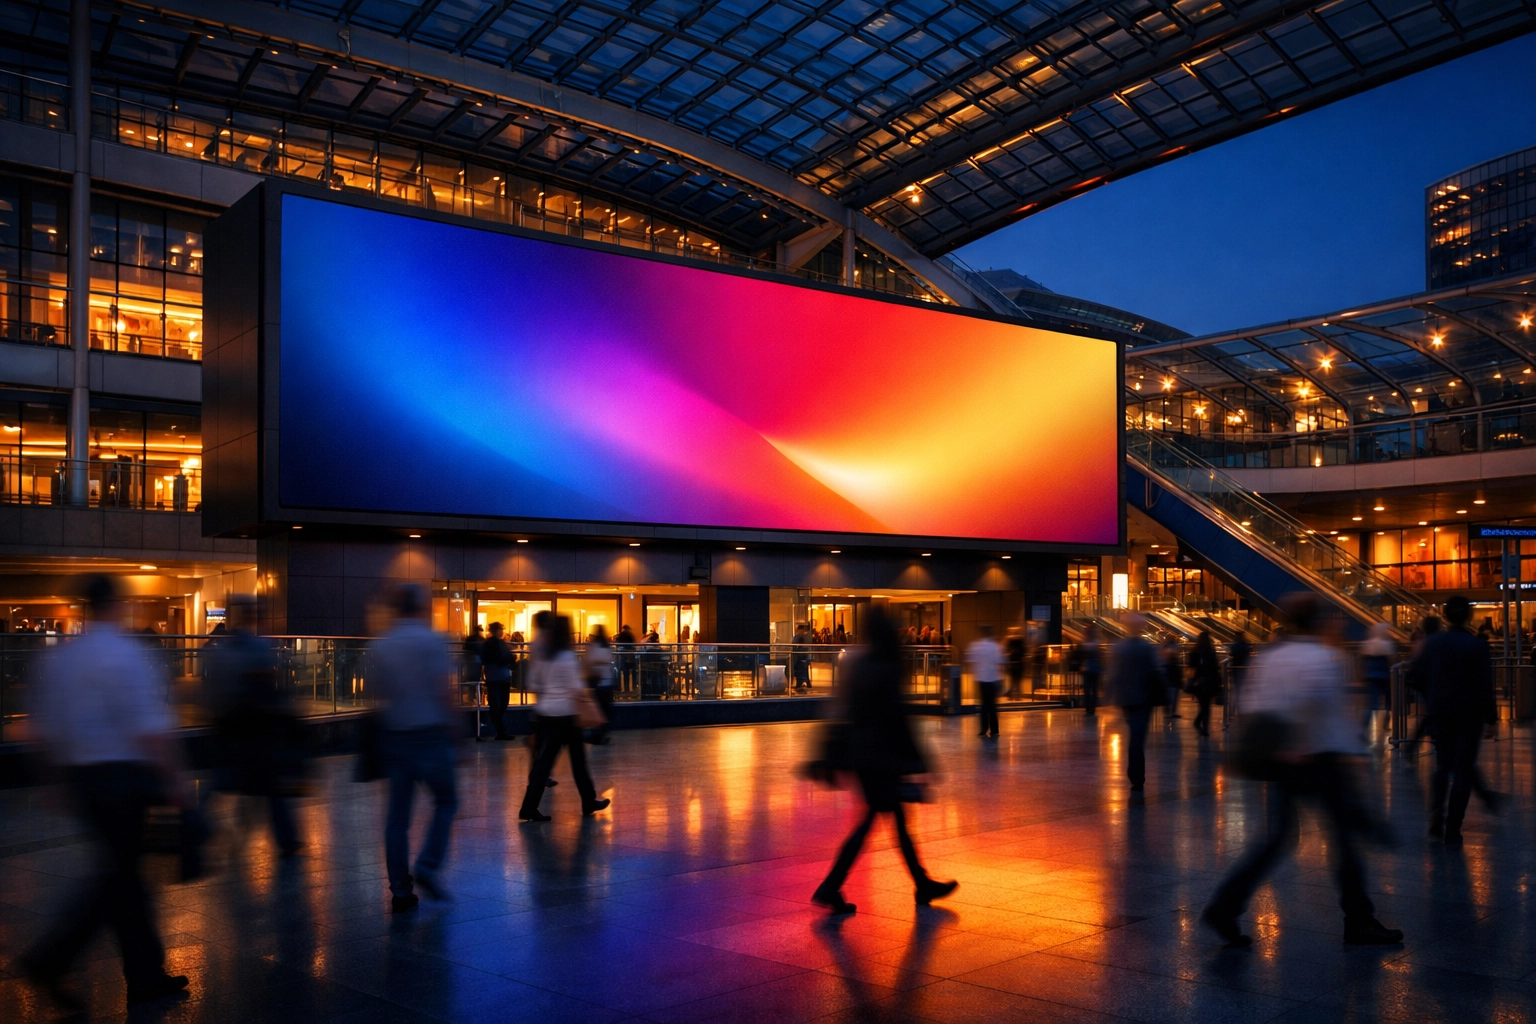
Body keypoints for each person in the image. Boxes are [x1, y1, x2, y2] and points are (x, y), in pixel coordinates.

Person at [21, 575, 192, 1010]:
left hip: (82, 780)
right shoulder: (127, 654)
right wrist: (175, 780)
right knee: (119, 878)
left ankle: (145, 975)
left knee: (125, 877)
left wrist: (53, 782)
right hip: (123, 779)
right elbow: (150, 729)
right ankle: (51, 959)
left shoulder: (63, 659)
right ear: (116, 605)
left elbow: (41, 730)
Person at [1202, 593, 1402, 947]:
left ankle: (1224, 907)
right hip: (1317, 759)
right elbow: (1330, 715)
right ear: (1319, 621)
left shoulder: (1271, 656)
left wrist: (1279, 745)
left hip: (1283, 761)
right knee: (1342, 838)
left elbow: (1250, 705)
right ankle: (1359, 920)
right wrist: (1354, 754)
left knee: (1277, 839)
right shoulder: (1322, 658)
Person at [811, 609, 958, 915]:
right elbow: (898, 718)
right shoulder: (887, 666)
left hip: (862, 756)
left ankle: (920, 882)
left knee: (888, 823)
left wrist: (828, 754)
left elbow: (844, 708)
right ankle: (832, 886)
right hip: (883, 758)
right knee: (875, 824)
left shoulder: (860, 664)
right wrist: (920, 761)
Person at [369, 584, 459, 911]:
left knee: (397, 818)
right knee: (446, 801)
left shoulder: (381, 646)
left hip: (394, 736)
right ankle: (427, 864)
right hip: (430, 735)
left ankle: (400, 890)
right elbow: (443, 692)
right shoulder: (433, 642)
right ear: (421, 607)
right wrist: (456, 733)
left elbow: (376, 695)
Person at [202, 593, 302, 857]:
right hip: (257, 729)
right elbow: (268, 687)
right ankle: (287, 840)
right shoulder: (260, 649)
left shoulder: (222, 650)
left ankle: (198, 823)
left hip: (230, 727)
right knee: (271, 787)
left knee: (222, 780)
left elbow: (213, 692)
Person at [1419, 596, 1503, 846]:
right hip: (1469, 716)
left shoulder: (1432, 643)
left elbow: (1419, 676)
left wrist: (1432, 700)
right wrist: (1491, 719)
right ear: (1468, 616)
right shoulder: (1477, 646)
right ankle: (1453, 828)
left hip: (1440, 714)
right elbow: (1484, 686)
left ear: (1444, 615)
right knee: (1463, 771)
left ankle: (1435, 813)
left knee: (1442, 766)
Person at [519, 614, 609, 821]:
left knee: (543, 765)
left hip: (546, 714)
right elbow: (575, 687)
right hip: (567, 715)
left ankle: (529, 806)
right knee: (579, 761)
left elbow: (534, 685)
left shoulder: (543, 656)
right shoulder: (567, 657)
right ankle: (588, 801)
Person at [1109, 613, 1165, 792]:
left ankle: (1135, 774)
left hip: (1126, 698)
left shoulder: (1120, 648)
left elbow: (1113, 674)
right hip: (1144, 698)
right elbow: (1157, 670)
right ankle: (1137, 776)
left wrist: (1109, 697)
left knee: (1134, 734)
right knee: (1137, 737)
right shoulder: (1147, 648)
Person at [966, 625, 1004, 739]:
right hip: (993, 678)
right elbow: (1000, 662)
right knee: (992, 705)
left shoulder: (976, 646)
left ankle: (983, 729)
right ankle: (994, 730)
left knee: (983, 704)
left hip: (981, 678)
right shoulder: (996, 647)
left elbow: (971, 660)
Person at [1359, 622, 1395, 744]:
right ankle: (1386, 723)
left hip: (1371, 676)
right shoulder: (1386, 644)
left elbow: (1363, 659)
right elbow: (1392, 660)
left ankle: (1363, 730)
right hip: (1384, 676)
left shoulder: (1367, 643)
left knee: (1371, 705)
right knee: (1388, 702)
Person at [481, 622, 514, 741]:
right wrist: (507, 659)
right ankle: (501, 730)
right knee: (499, 704)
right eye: (501, 629)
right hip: (499, 677)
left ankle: (501, 730)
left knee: (497, 704)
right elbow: (506, 658)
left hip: (495, 677)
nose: (502, 631)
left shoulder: (493, 643)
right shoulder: (496, 644)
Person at [584, 624, 615, 744]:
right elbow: (610, 660)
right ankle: (602, 732)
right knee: (606, 710)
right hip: (607, 681)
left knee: (596, 709)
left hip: (597, 682)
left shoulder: (593, 647)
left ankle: (596, 733)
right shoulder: (607, 647)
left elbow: (588, 661)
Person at [1188, 631, 1222, 737]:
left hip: (1199, 682)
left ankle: (1200, 724)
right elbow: (1216, 667)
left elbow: (1191, 666)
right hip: (1210, 681)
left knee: (1203, 704)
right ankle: (1204, 727)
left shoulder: (1195, 651)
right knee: (1206, 705)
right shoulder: (1211, 651)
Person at [1081, 622, 1103, 715]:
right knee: (1094, 689)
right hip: (1096, 668)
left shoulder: (1086, 643)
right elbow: (1100, 655)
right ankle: (1092, 708)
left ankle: (1088, 707)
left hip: (1087, 668)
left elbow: (1083, 655)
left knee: (1087, 688)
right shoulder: (1097, 643)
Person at [1162, 639, 1184, 719]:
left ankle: (1170, 712)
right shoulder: (1171, 658)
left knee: (1172, 695)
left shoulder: (1169, 657)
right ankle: (1169, 712)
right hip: (1172, 678)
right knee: (1171, 695)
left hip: (1172, 678)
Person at [1004, 627, 1026, 699]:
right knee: (1018, 681)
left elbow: (1007, 651)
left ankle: (1011, 694)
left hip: (1012, 663)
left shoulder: (1009, 641)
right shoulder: (1021, 641)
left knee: (1012, 681)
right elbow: (1023, 652)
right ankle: (1017, 695)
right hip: (1019, 664)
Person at [616, 623, 637, 694]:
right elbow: (633, 644)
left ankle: (624, 689)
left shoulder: (621, 635)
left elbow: (617, 644)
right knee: (632, 672)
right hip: (630, 655)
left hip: (623, 655)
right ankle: (633, 688)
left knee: (624, 672)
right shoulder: (630, 635)